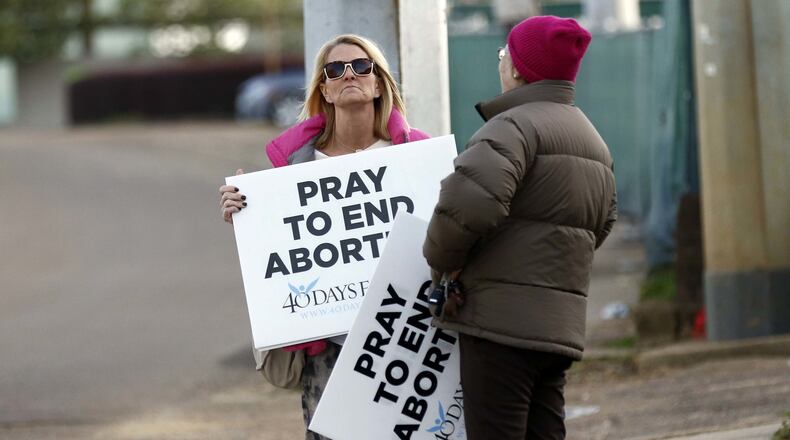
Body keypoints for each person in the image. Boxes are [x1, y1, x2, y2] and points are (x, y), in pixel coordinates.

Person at [219, 34, 428, 440]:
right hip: (330, 347)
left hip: (407, 336)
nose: (349, 74)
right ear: (325, 90)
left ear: (379, 82)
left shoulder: (416, 153)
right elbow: (280, 247)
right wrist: (244, 213)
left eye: (361, 66)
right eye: (336, 69)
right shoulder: (295, 168)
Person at [423, 16, 617, 440]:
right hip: (557, 330)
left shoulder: (511, 127)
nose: (500, 63)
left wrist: (442, 263)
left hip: (499, 325)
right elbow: (600, 225)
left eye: (503, 54)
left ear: (518, 68)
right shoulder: (593, 141)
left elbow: (468, 206)